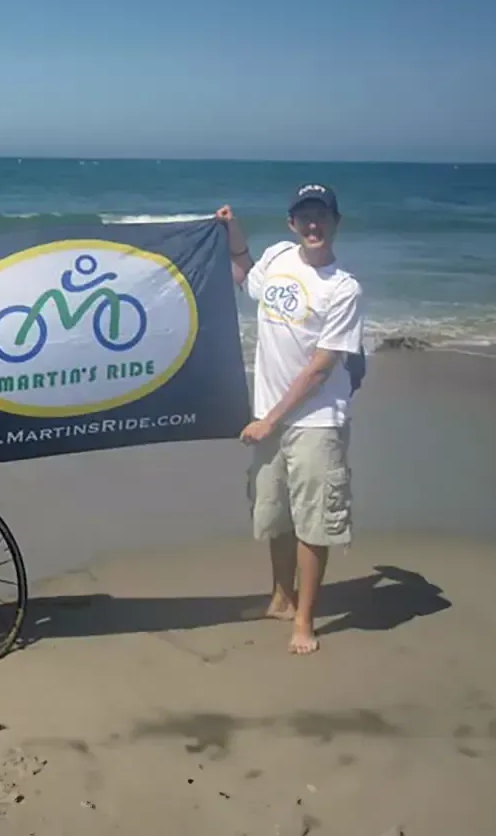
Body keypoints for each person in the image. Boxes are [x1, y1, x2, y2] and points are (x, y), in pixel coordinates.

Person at [215, 185, 364, 655]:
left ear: (336, 222)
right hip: (269, 417)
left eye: (322, 217)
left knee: (312, 523)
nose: (313, 225)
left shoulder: (343, 288)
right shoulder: (279, 256)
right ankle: (281, 597)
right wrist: (232, 233)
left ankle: (304, 621)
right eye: (305, 217)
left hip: (316, 420)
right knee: (275, 513)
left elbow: (320, 368)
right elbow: (244, 276)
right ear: (291, 224)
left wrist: (271, 419)